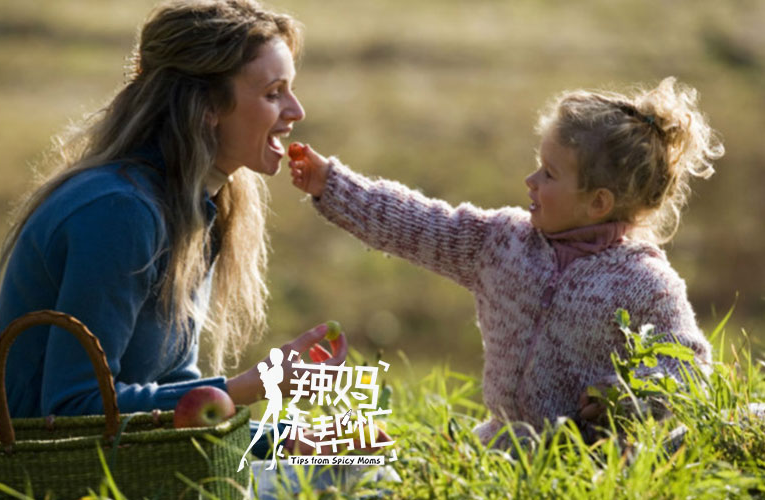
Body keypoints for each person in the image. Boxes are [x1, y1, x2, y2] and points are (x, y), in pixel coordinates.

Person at [0, 0, 347, 460]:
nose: (296, 110)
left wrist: (282, 438)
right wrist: (255, 385)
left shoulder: (198, 206)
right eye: (273, 93)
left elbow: (169, 391)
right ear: (208, 106)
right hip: (32, 474)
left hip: (116, 463)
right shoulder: (118, 214)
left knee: (358, 466)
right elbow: (74, 408)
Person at [288, 77, 723, 446]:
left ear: (598, 202)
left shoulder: (645, 282)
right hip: (503, 440)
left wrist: (624, 397)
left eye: (549, 174)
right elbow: (418, 225)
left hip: (593, 458)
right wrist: (332, 185)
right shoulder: (503, 241)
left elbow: (687, 367)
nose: (530, 181)